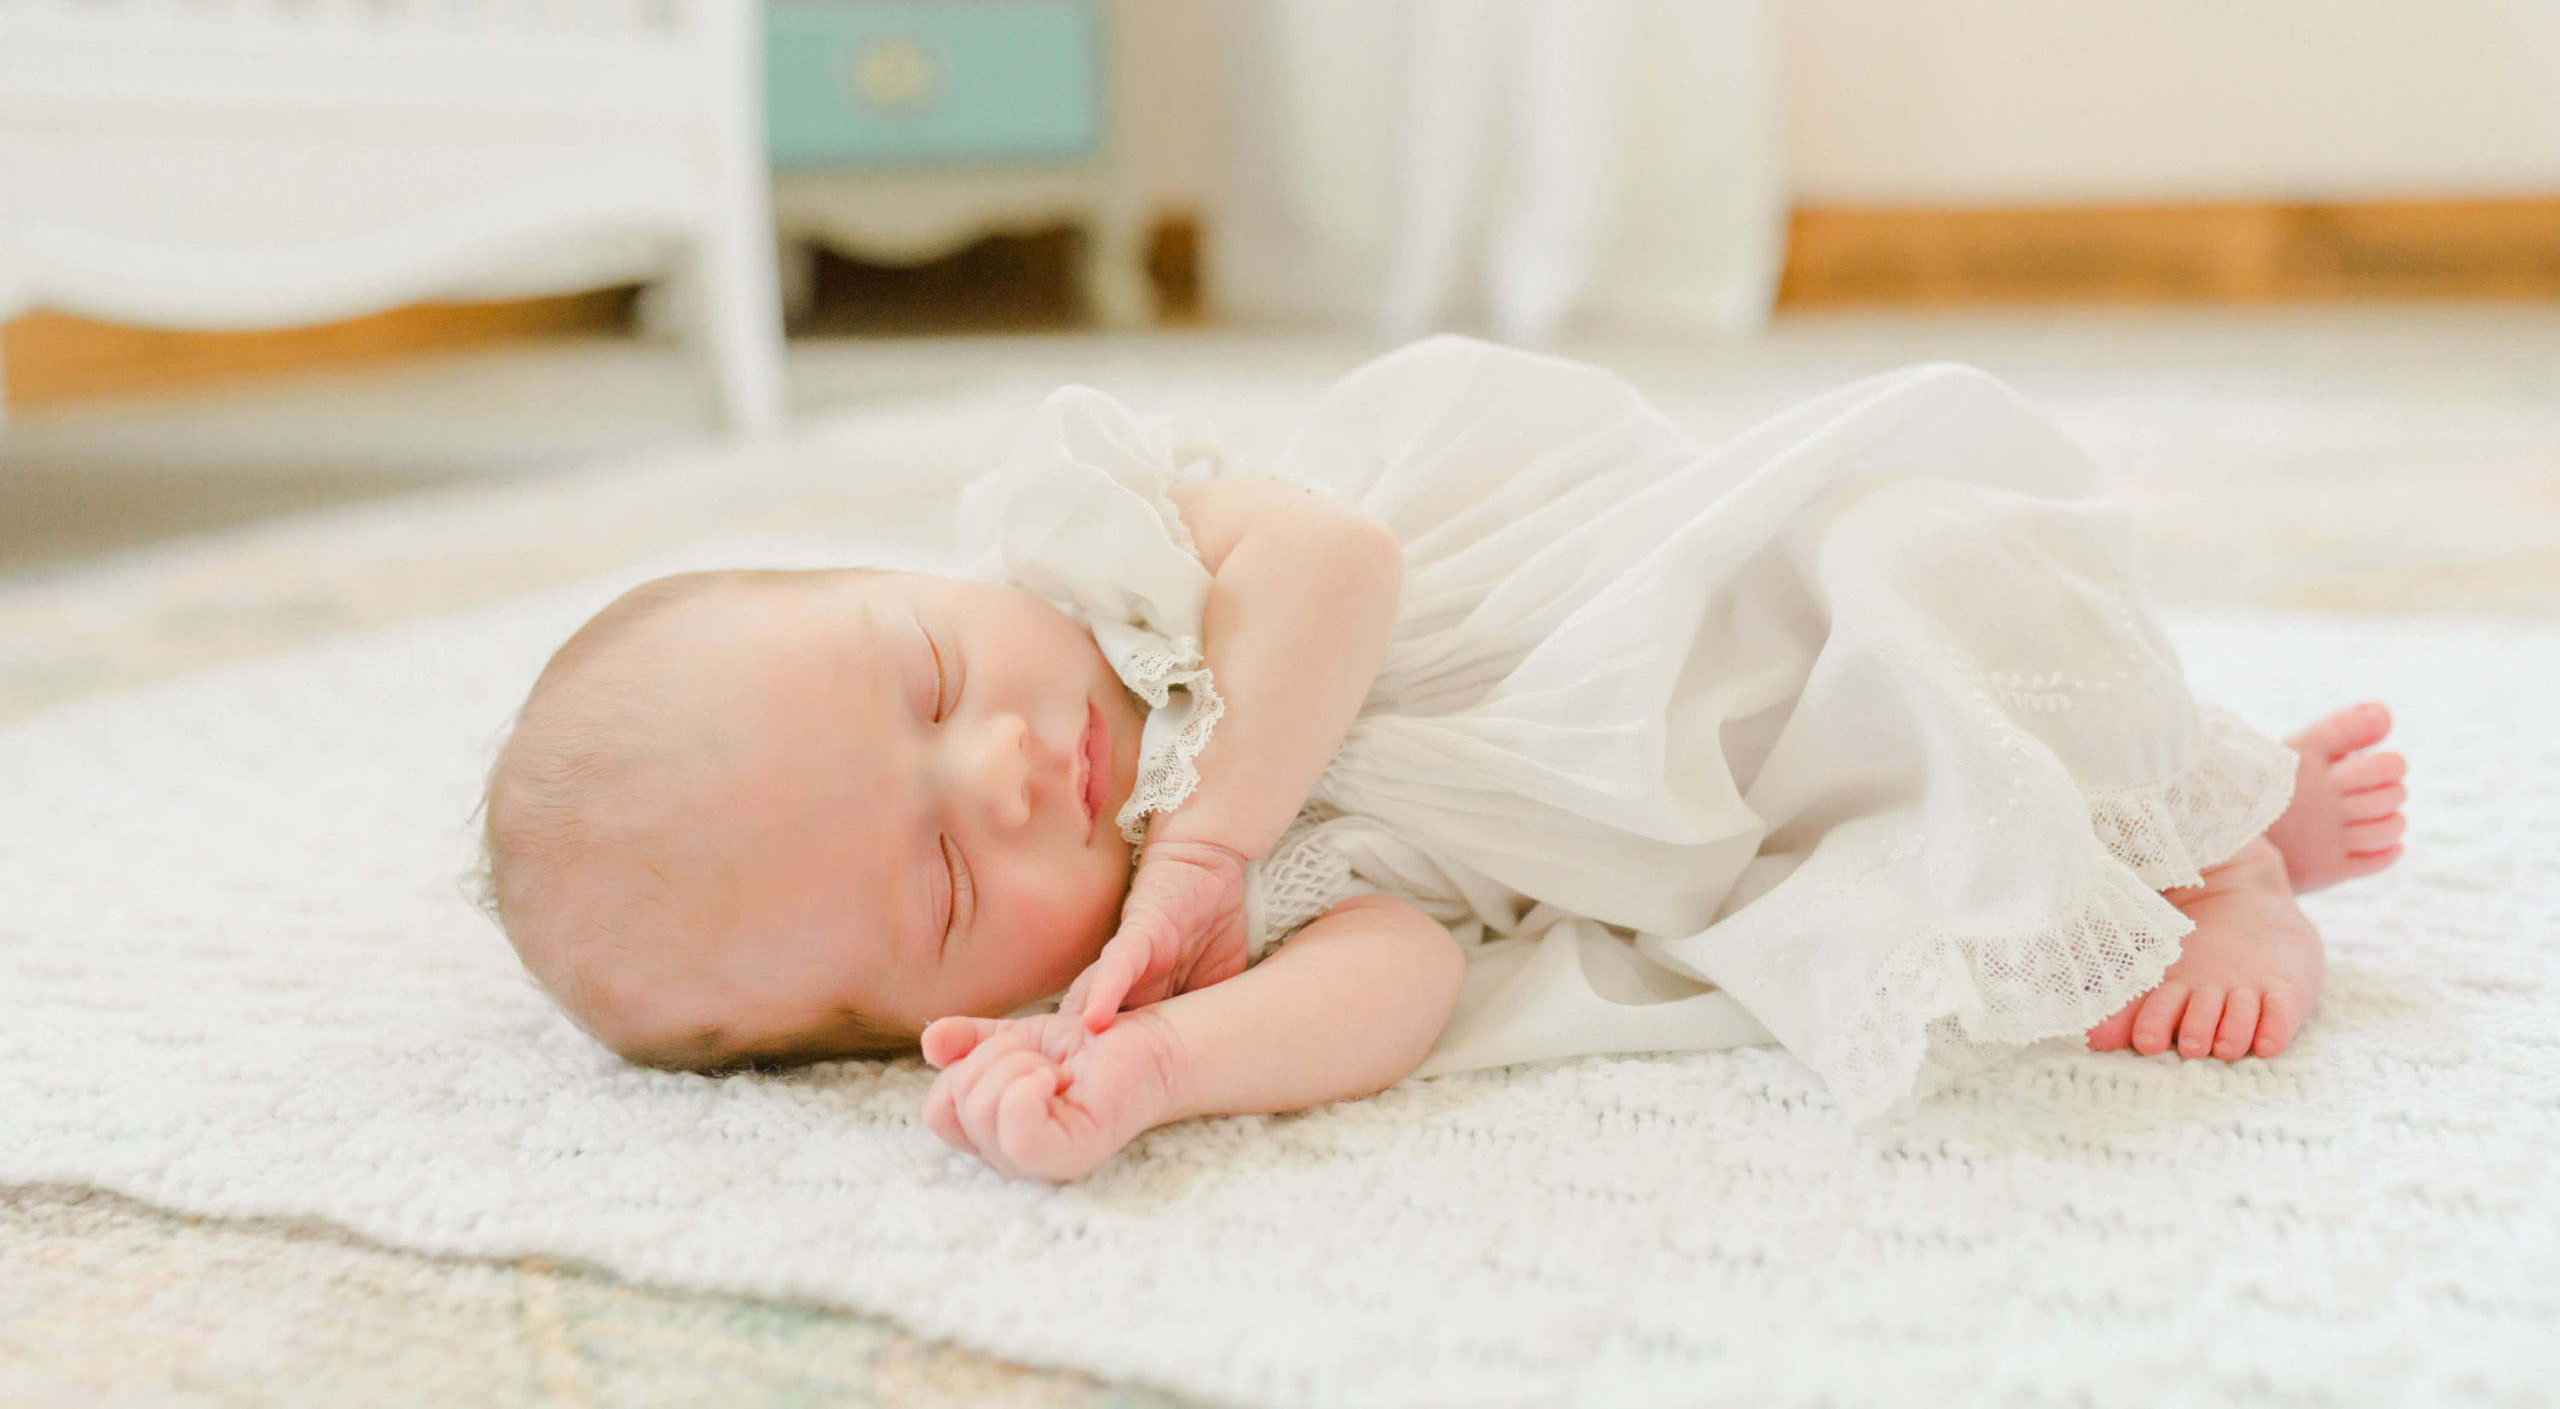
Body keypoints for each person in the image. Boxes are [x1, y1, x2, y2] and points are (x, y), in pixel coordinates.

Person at [474, 337, 2410, 1183]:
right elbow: (1394, 983)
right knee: (1873, 843)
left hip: (1713, 595)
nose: (994, 771)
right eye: (947, 887)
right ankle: (2185, 840)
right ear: (941, 1014)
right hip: (1724, 793)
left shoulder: (1111, 547)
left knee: (1921, 551)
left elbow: (1337, 562)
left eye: (917, 676)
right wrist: (1156, 1058)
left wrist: (1208, 836)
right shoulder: (1175, 949)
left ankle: (2221, 826)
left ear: (906, 574)